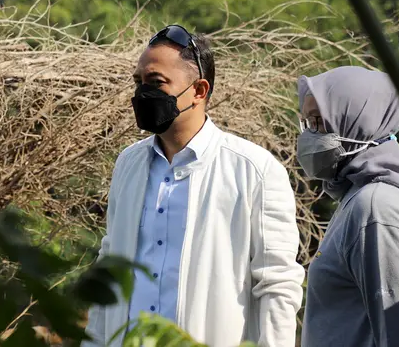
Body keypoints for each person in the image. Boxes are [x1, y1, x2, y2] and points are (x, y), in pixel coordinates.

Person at [82, 25, 304, 347]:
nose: (143, 94)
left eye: (156, 83)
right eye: (139, 83)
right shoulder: (128, 164)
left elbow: (277, 284)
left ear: (199, 90)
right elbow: (111, 263)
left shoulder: (254, 170)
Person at [297, 66, 399, 347]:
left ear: (358, 121)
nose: (309, 135)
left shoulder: (376, 209)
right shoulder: (355, 196)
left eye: (319, 122)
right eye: (307, 123)